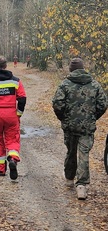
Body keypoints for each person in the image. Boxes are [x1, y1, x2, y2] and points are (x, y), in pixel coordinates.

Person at [52, 57, 107, 200]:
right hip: (87, 127)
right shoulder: (94, 85)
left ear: (71, 69)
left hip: (70, 126)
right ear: (83, 68)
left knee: (71, 151)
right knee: (84, 154)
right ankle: (81, 186)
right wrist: (93, 117)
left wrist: (63, 118)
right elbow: (103, 104)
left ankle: (70, 179)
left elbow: (57, 104)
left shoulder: (65, 85)